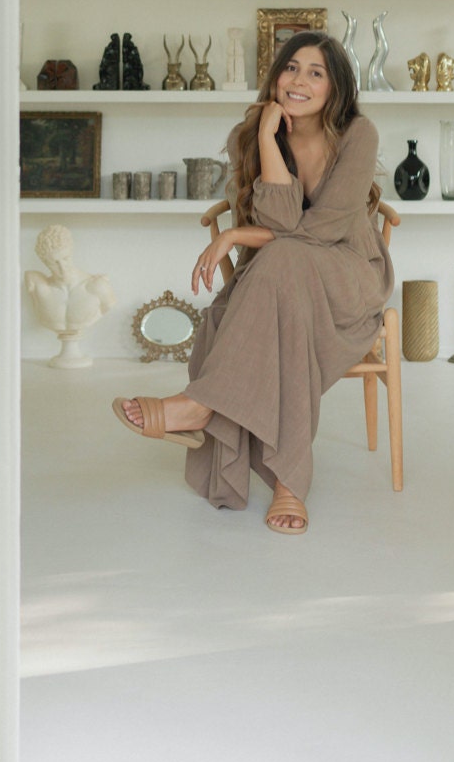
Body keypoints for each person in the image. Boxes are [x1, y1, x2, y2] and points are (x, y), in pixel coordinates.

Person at [112, 31, 394, 535]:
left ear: (336, 87)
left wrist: (237, 234)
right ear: (275, 75)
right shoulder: (254, 134)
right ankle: (288, 485)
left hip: (348, 276)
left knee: (282, 262)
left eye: (316, 72)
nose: (299, 81)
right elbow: (286, 227)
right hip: (286, 283)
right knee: (276, 300)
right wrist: (266, 138)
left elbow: (322, 230)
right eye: (291, 67)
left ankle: (200, 404)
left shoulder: (358, 133)